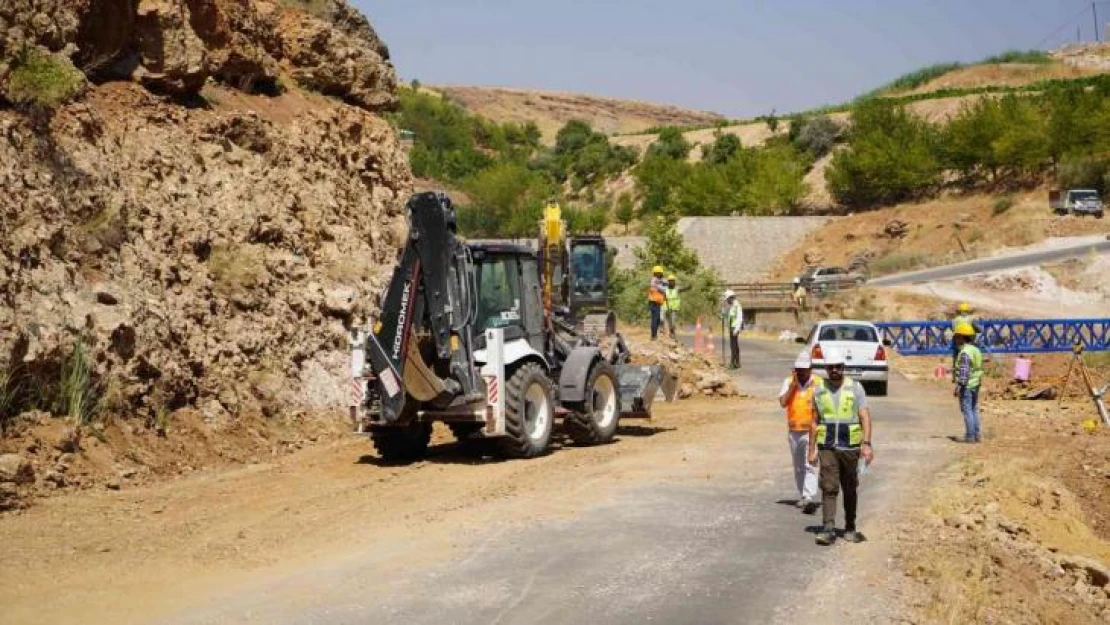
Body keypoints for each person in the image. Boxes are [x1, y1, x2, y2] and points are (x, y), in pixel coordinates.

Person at [807, 348, 873, 546]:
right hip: (827, 447)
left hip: (850, 447)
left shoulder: (856, 388)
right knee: (829, 487)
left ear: (843, 367)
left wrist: (867, 444)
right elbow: (813, 421)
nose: (834, 370)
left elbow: (865, 416)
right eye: (831, 367)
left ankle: (850, 527)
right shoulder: (818, 389)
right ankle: (828, 528)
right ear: (826, 368)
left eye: (838, 366)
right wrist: (812, 449)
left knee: (850, 488)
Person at [779, 352, 823, 514]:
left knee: (810, 464)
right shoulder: (788, 382)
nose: (801, 373)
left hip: (812, 430)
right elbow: (783, 403)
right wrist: (793, 386)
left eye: (804, 370)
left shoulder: (818, 383)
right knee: (798, 466)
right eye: (798, 370)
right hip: (794, 431)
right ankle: (803, 494)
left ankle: (808, 496)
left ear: (810, 369)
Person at [952, 322, 983, 443]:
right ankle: (977, 435)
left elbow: (964, 371)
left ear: (961, 337)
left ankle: (970, 436)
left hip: (967, 385)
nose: (955, 339)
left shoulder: (965, 352)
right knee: (974, 409)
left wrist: (959, 386)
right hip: (976, 383)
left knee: (967, 410)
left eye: (957, 337)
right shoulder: (976, 350)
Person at [950, 302, 979, 369]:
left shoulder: (955, 320)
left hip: (957, 342)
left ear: (960, 311)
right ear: (968, 310)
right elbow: (978, 329)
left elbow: (953, 329)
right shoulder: (971, 319)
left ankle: (956, 373)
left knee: (957, 359)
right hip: (968, 342)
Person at [647, 265, 668, 340]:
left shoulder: (655, 280)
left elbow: (663, 282)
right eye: (658, 273)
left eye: (658, 273)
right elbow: (663, 289)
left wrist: (665, 282)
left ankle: (654, 335)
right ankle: (653, 336)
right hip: (654, 302)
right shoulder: (655, 281)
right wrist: (666, 285)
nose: (659, 274)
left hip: (656, 302)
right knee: (655, 319)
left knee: (657, 319)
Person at [724, 290, 743, 369]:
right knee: (734, 345)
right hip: (732, 327)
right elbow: (730, 317)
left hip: (735, 327)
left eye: (727, 299)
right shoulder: (732, 305)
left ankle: (733, 363)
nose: (727, 301)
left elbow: (739, 318)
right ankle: (737, 362)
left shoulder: (736, 305)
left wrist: (736, 329)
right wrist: (723, 315)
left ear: (730, 298)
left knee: (733, 345)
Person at [663, 273, 683, 339]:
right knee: (668, 322)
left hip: (674, 309)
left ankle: (672, 333)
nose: (671, 282)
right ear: (668, 282)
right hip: (666, 308)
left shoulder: (677, 289)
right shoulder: (665, 289)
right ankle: (670, 335)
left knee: (673, 322)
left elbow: (683, 289)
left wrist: (688, 287)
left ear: (674, 282)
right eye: (670, 281)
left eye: (672, 281)